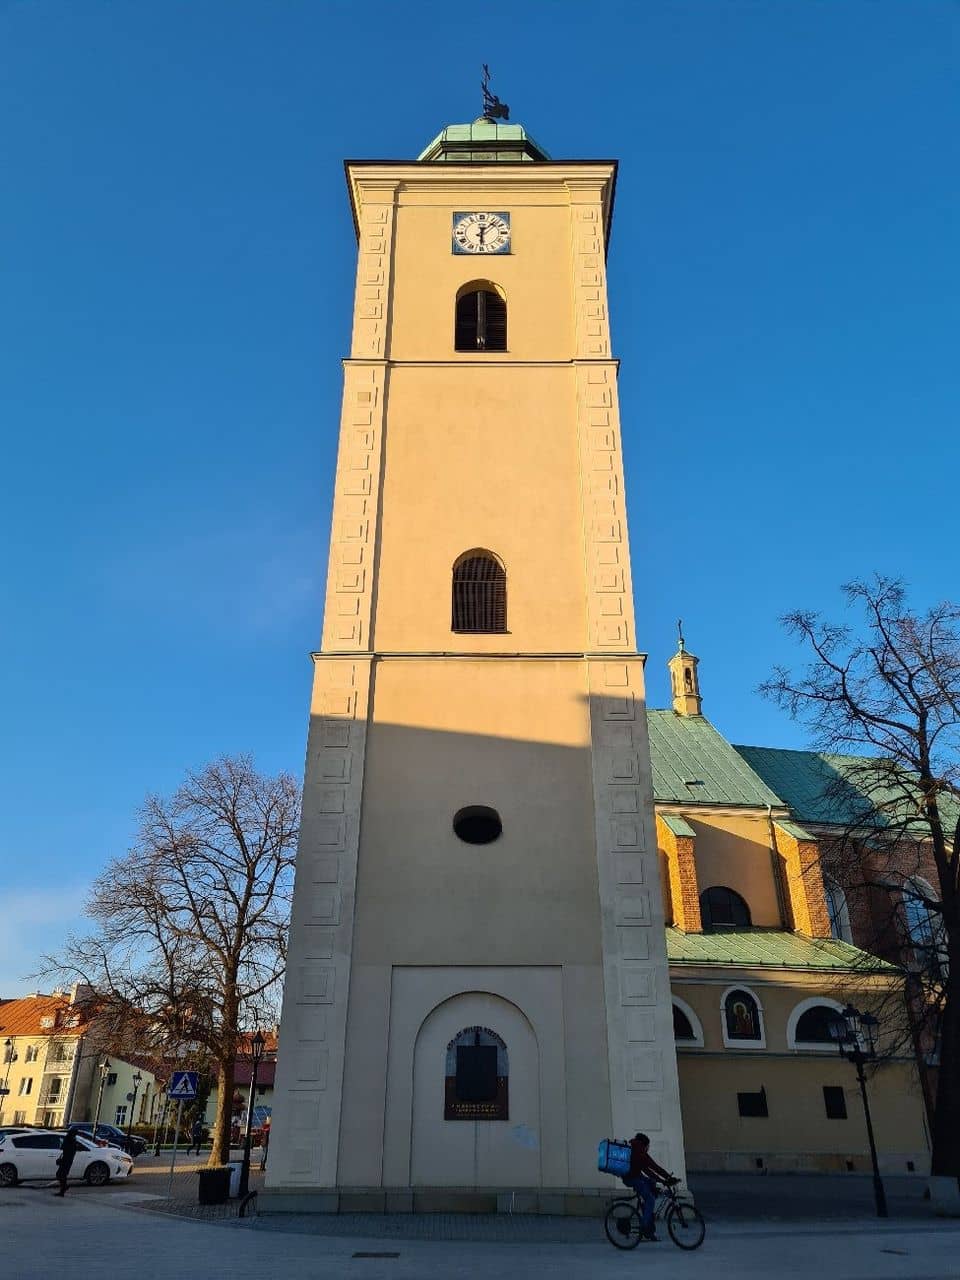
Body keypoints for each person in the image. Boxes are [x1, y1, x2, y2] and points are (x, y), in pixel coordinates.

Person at [622, 1132, 677, 1241]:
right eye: (648, 1146)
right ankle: (644, 1227)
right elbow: (652, 1168)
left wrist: (663, 1179)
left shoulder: (636, 1148)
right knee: (650, 1199)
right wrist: (666, 1179)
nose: (648, 1148)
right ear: (645, 1144)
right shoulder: (639, 1151)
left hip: (634, 1176)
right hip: (633, 1178)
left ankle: (649, 1231)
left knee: (652, 1186)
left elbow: (649, 1169)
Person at [54, 1126, 82, 1196]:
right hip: (69, 1159)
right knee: (62, 1174)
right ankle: (63, 1188)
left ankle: (63, 1189)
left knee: (60, 1174)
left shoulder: (69, 1139)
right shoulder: (73, 1140)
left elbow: (64, 1147)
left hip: (66, 1159)